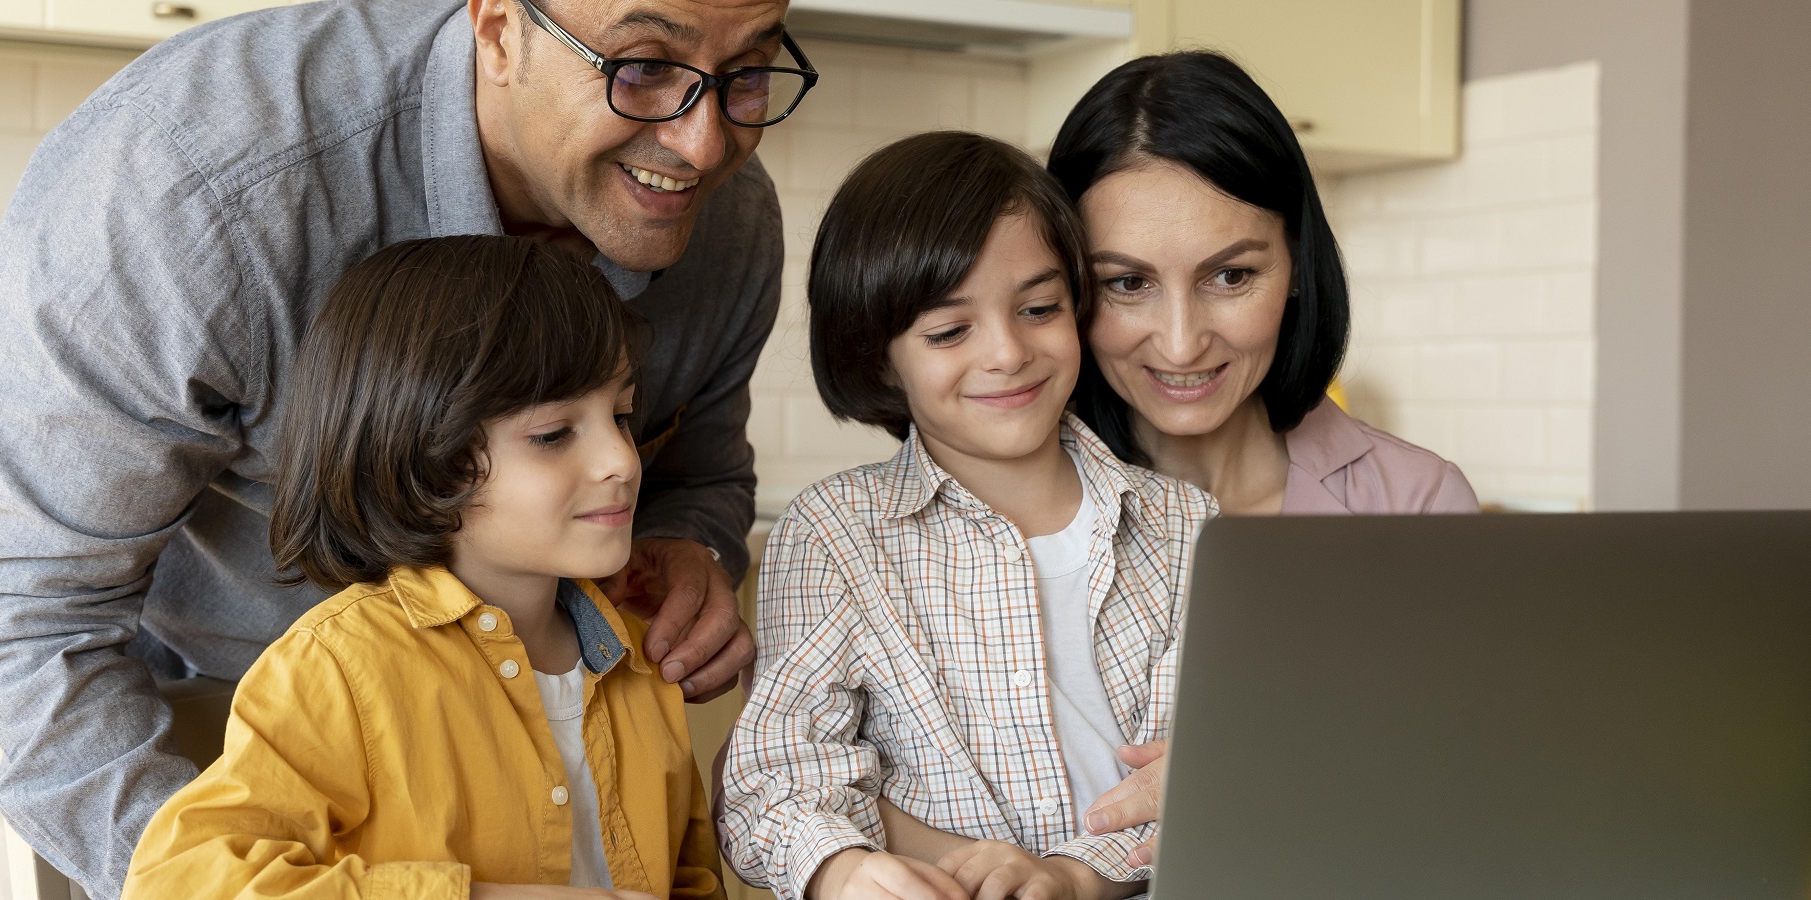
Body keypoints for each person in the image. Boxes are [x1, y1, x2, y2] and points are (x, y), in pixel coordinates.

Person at [0, 0, 814, 896]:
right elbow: (36, 620)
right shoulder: (194, 182)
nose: (704, 146)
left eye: (747, 72)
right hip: (140, 674)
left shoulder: (722, 221)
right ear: (501, 29)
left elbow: (698, 474)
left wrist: (692, 548)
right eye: (641, 68)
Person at [122, 235, 720, 900]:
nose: (622, 461)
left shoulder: (637, 663)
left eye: (621, 415)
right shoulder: (340, 671)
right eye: (554, 435)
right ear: (422, 455)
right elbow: (175, 882)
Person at [716, 131, 1217, 900]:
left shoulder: (1187, 526)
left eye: (1040, 308)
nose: (1008, 352)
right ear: (881, 357)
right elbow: (777, 778)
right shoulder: (832, 534)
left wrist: (1073, 877)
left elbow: (1204, 777)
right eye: (950, 331)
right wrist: (846, 869)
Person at [1044, 50, 1480, 864]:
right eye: (1127, 284)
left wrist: (1266, 773)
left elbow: (1468, 792)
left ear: (1297, 268)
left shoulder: (1416, 504)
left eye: (1231, 275)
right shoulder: (1004, 509)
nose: (1180, 341)